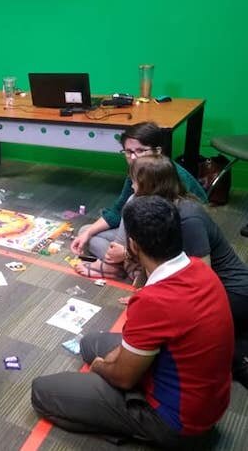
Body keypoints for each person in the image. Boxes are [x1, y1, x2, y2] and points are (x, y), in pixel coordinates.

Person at [32, 195, 234, 448]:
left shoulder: (154, 299)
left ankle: (133, 427)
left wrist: (100, 366)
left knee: (42, 392)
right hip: (207, 400)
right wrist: (113, 358)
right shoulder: (198, 267)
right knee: (90, 343)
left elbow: (123, 378)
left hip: (179, 423)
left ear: (134, 246)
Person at [119, 154, 248, 387]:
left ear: (149, 186)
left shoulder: (187, 217)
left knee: (184, 342)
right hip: (214, 287)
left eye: (135, 182)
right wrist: (141, 293)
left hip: (232, 292)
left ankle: (237, 359)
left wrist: (155, 304)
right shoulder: (163, 210)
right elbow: (159, 262)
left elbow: (201, 277)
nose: (132, 187)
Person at [71, 122, 206, 276]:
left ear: (158, 151)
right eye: (128, 152)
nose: (133, 157)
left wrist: (128, 252)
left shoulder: (170, 177)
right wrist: (88, 234)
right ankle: (128, 267)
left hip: (171, 244)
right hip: (144, 234)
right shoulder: (138, 172)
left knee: (131, 203)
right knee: (85, 232)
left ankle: (124, 268)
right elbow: (118, 211)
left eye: (140, 151)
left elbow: (171, 235)